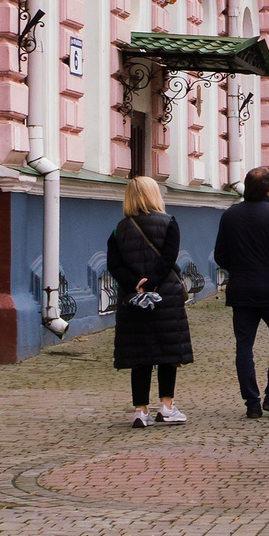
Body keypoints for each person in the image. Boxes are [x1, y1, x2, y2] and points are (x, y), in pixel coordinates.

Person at [108, 175, 193, 427]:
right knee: (168, 352)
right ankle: (166, 406)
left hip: (133, 299)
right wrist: (152, 281)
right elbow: (168, 258)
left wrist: (135, 284)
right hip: (165, 296)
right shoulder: (169, 223)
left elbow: (114, 265)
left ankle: (140, 410)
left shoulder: (119, 229)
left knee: (140, 354)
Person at [213, 167, 269, 419]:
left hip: (241, 290)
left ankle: (251, 403)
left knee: (244, 346)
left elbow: (220, 255)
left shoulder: (230, 216)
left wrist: (239, 270)